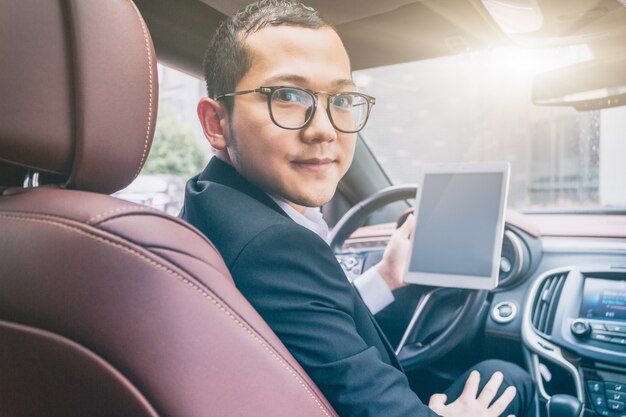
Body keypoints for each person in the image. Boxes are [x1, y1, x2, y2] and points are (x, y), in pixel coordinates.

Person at [180, 1, 536, 416]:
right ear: (216, 123)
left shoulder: (211, 200)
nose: (324, 129)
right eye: (288, 96)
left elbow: (305, 325)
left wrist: (385, 276)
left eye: (343, 99)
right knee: (510, 378)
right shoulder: (276, 246)